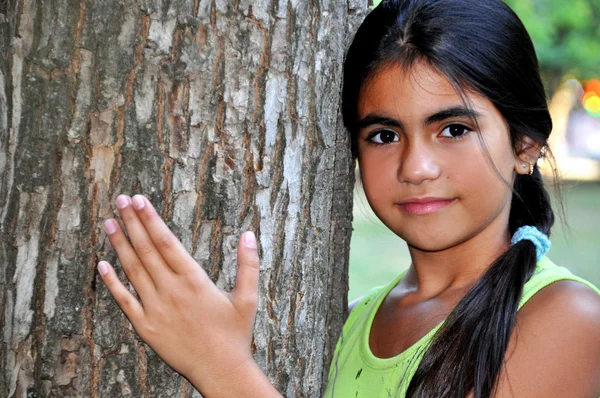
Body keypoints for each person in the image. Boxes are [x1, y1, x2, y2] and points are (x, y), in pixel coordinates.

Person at [96, 0, 600, 396]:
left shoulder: (565, 318)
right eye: (384, 135)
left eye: (453, 128)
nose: (415, 167)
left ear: (525, 145)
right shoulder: (354, 321)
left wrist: (220, 366)